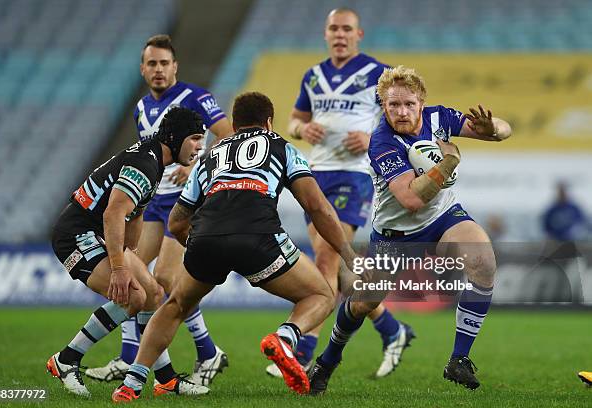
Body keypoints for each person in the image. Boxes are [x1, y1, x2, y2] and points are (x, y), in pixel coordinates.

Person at [110, 92, 358, 401]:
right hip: (257, 236)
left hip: (206, 236)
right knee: (321, 294)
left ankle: (131, 383)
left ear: (235, 123)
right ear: (269, 122)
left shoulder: (211, 154)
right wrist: (348, 255)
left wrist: (203, 245)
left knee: (175, 306)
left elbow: (176, 221)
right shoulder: (281, 146)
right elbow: (318, 208)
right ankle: (285, 337)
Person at [308, 65, 512, 394]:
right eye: (393, 106)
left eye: (409, 104)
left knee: (483, 262)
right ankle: (327, 361)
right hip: (396, 235)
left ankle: (459, 359)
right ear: (383, 106)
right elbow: (409, 200)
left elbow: (504, 130)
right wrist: (448, 163)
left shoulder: (439, 118)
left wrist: (495, 129)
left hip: (444, 217)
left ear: (421, 102)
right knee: (362, 303)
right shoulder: (382, 142)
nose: (401, 112)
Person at [85, 34, 232, 386]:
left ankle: (208, 350)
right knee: (136, 277)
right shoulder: (140, 108)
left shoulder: (196, 97)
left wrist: (195, 168)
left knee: (165, 279)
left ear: (175, 66)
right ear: (142, 69)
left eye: (165, 63)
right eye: (152, 63)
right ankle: (127, 358)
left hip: (186, 202)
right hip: (152, 203)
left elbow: (229, 138)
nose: (159, 69)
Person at [274, 7, 413, 379]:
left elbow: (403, 121)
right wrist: (303, 131)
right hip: (315, 174)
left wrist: (371, 139)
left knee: (325, 257)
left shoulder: (379, 75)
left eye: (346, 29)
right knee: (336, 268)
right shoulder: (313, 75)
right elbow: (293, 120)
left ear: (359, 34)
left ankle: (302, 351)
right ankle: (392, 329)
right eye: (333, 28)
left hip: (356, 174)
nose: (340, 34)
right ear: (325, 33)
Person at [47, 107, 209, 397]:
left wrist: (130, 253)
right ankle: (66, 360)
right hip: (76, 235)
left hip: (97, 233)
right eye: (195, 138)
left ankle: (166, 379)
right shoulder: (145, 164)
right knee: (133, 297)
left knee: (154, 294)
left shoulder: (155, 159)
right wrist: (121, 269)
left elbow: (135, 214)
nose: (200, 145)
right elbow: (113, 214)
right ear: (175, 137)